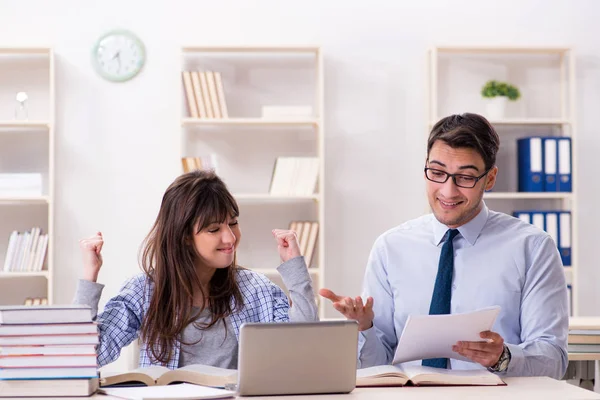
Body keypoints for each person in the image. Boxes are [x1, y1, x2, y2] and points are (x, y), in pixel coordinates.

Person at [320, 113, 568, 379]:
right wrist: (364, 326)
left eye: (465, 177)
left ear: (490, 178)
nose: (448, 192)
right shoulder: (391, 247)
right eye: (437, 173)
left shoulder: (532, 247)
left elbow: (553, 359)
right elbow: (378, 366)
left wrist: (503, 357)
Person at [74, 170, 318, 369]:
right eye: (214, 230)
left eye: (233, 223)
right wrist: (89, 275)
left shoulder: (257, 290)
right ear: (184, 237)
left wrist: (295, 269)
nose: (230, 237)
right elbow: (86, 357)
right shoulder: (144, 292)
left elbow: (302, 351)